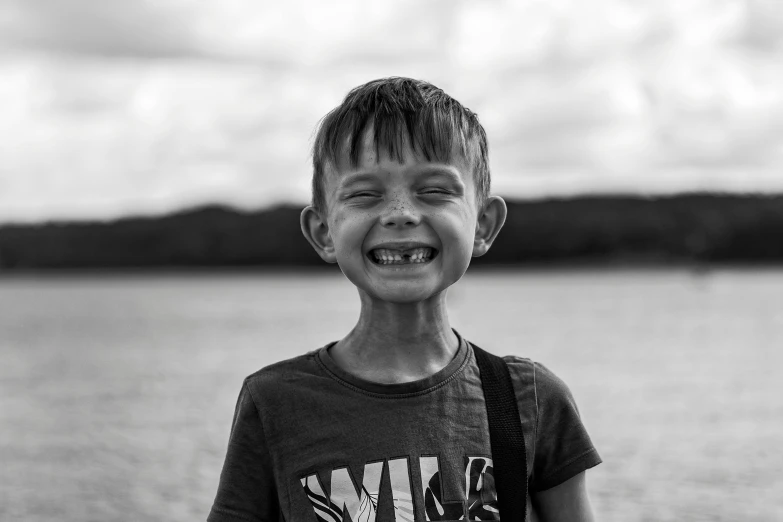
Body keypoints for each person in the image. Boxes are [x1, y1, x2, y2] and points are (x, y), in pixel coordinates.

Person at [208, 77, 601, 522]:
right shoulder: (276, 402)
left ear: (483, 225)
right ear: (323, 233)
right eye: (364, 194)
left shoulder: (529, 398)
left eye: (434, 190)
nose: (400, 214)